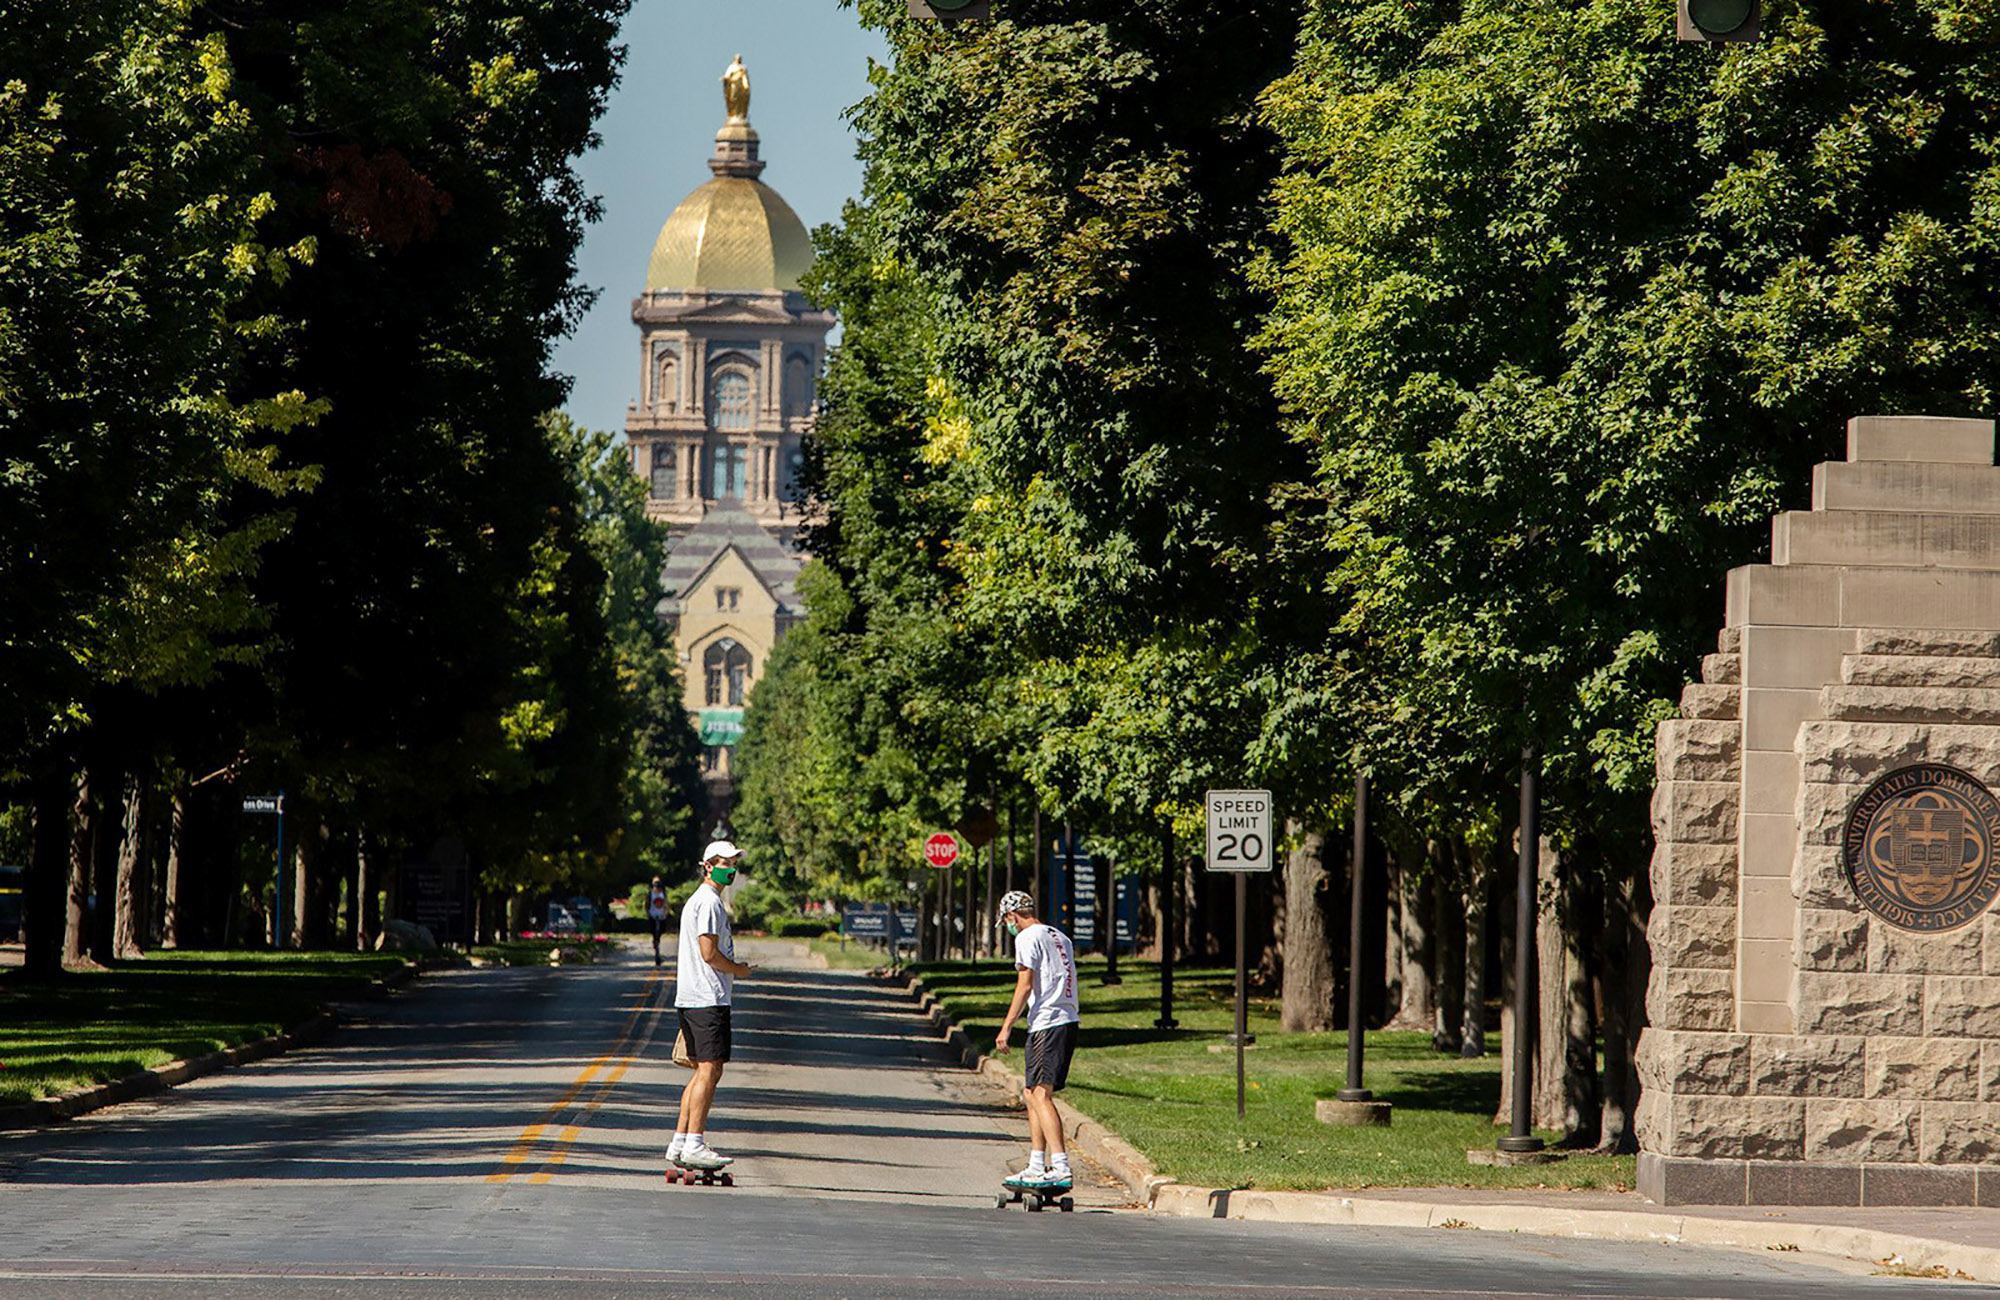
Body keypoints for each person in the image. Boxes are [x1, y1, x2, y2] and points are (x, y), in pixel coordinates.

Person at [666, 841, 754, 1173]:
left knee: (705, 1070)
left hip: (696, 997)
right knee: (709, 1070)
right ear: (708, 866)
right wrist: (738, 969)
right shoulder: (708, 903)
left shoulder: (704, 901)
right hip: (707, 998)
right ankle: (695, 1144)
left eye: (733, 863)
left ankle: (679, 1142)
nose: (731, 869)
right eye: (725, 863)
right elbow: (709, 953)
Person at [992, 889, 1079, 1192]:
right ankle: (1035, 1164)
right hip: (1066, 1018)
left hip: (1048, 1021)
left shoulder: (1026, 938)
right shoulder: (1059, 936)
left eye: (1006, 921)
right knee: (1031, 1093)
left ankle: (1060, 1166)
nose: (1008, 927)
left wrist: (1006, 1028)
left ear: (1013, 915)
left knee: (1041, 1095)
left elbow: (1025, 985)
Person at [647, 875, 669, 967]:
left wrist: (665, 912)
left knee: (660, 934)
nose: (656, 885)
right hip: (653, 916)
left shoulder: (663, 893)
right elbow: (647, 904)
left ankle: (657, 947)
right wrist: (648, 914)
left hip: (661, 916)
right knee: (654, 935)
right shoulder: (650, 894)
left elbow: (666, 904)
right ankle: (657, 954)